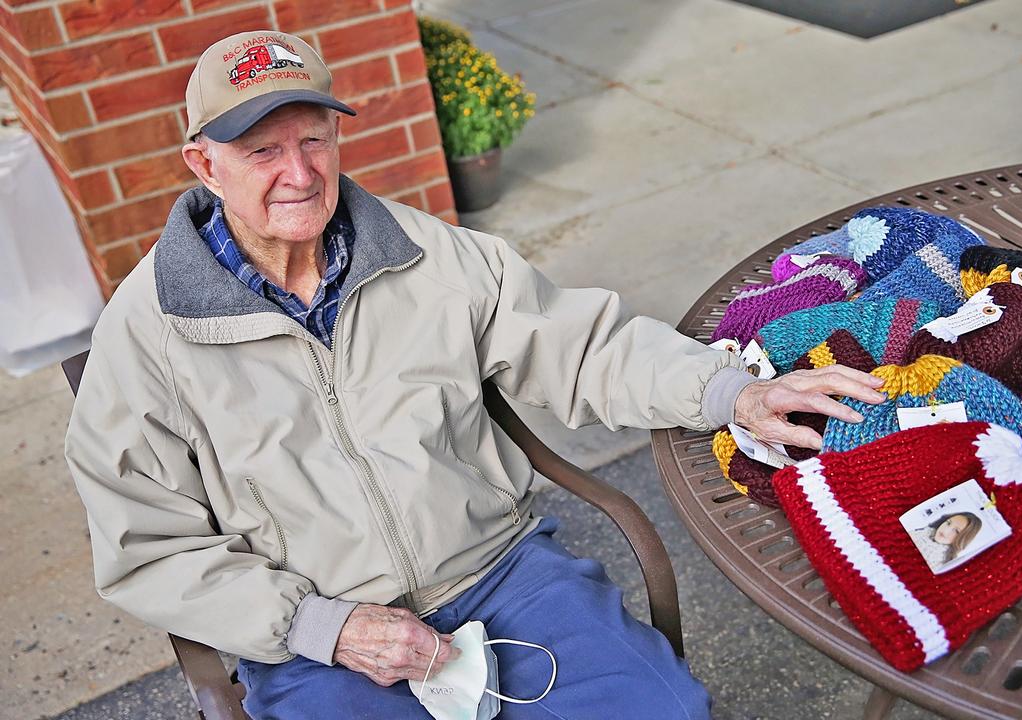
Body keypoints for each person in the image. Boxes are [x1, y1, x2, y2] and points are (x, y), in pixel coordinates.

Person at [63, 30, 885, 719]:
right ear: (203, 165)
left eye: (315, 138)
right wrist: (324, 626)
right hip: (317, 639)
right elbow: (149, 550)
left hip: (503, 575)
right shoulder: (146, 340)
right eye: (262, 151)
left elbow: (577, 344)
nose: (302, 173)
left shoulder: (426, 255)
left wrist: (728, 390)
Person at [910, 512, 984, 569]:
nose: (946, 530)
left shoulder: (944, 563)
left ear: (962, 539)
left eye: (956, 531)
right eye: (948, 523)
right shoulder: (921, 532)